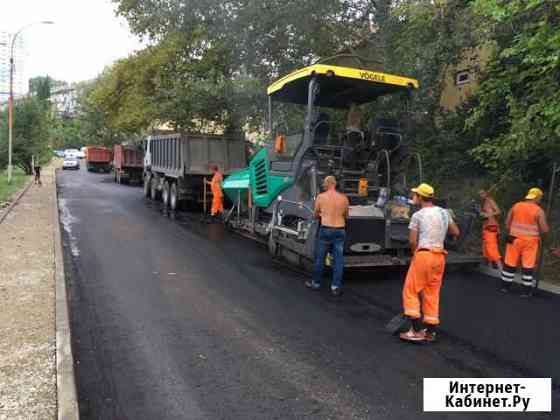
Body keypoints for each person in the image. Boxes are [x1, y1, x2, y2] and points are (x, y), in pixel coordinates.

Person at [400, 183, 460, 343]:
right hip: (439, 256)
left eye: (415, 195)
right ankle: (430, 332)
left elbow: (413, 241)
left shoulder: (418, 215)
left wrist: (415, 254)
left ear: (420, 197)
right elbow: (456, 232)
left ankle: (416, 331)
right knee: (432, 293)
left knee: (411, 290)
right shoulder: (444, 212)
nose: (414, 197)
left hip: (424, 255)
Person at [501, 187, 549, 297]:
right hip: (530, 242)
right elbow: (545, 229)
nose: (540, 200)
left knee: (510, 263)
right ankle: (526, 291)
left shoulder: (516, 206)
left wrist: (513, 231)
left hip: (514, 239)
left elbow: (507, 223)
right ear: (537, 197)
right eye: (540, 198)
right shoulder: (538, 211)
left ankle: (505, 287)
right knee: (528, 265)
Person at [306, 175, 349, 297]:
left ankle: (316, 283)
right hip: (340, 230)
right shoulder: (344, 198)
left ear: (329, 184)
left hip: (325, 230)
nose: (323, 185)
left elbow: (315, 215)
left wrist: (322, 213)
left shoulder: (321, 197)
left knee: (320, 258)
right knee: (338, 260)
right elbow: (346, 216)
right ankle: (335, 287)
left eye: (325, 183)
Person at [479, 189, 502, 268]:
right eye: (480, 194)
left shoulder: (490, 201)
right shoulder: (483, 203)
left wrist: (488, 215)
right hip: (486, 227)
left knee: (492, 249)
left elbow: (498, 211)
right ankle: (490, 268)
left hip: (491, 227)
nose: (481, 195)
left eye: (482, 193)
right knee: (486, 250)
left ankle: (500, 268)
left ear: (486, 193)